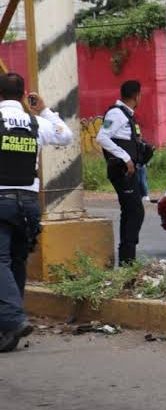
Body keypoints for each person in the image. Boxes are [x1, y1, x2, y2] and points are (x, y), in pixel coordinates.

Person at [0, 72, 73, 352]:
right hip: (29, 204)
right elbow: (65, 137)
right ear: (22, 96)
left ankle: (14, 319)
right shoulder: (35, 122)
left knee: (1, 261)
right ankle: (10, 329)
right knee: (16, 262)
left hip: (2, 200)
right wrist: (43, 109)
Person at [96, 80, 149, 266]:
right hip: (122, 170)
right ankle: (127, 260)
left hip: (129, 171)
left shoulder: (127, 115)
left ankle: (128, 260)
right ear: (136, 96)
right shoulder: (116, 113)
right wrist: (126, 157)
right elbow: (102, 137)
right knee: (134, 212)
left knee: (131, 211)